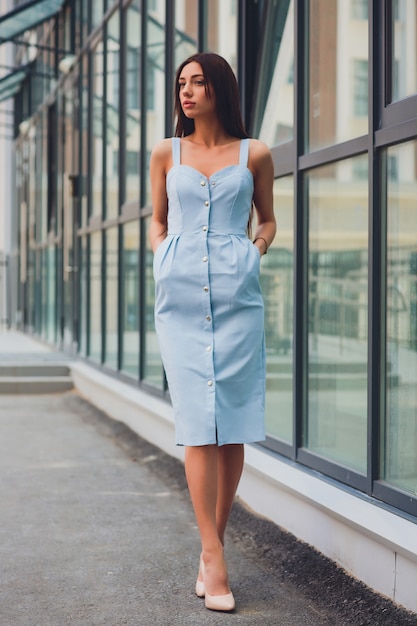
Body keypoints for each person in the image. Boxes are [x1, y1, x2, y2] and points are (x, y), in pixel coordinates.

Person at [149, 52, 276, 612]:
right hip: (179, 303)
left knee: (232, 427)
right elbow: (157, 219)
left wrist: (256, 250)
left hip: (236, 297)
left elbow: (267, 218)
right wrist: (162, 255)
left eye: (198, 82)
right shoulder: (164, 153)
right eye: (182, 83)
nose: (188, 91)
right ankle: (214, 557)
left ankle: (210, 547)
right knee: (198, 424)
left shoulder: (256, 154)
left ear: (220, 88)